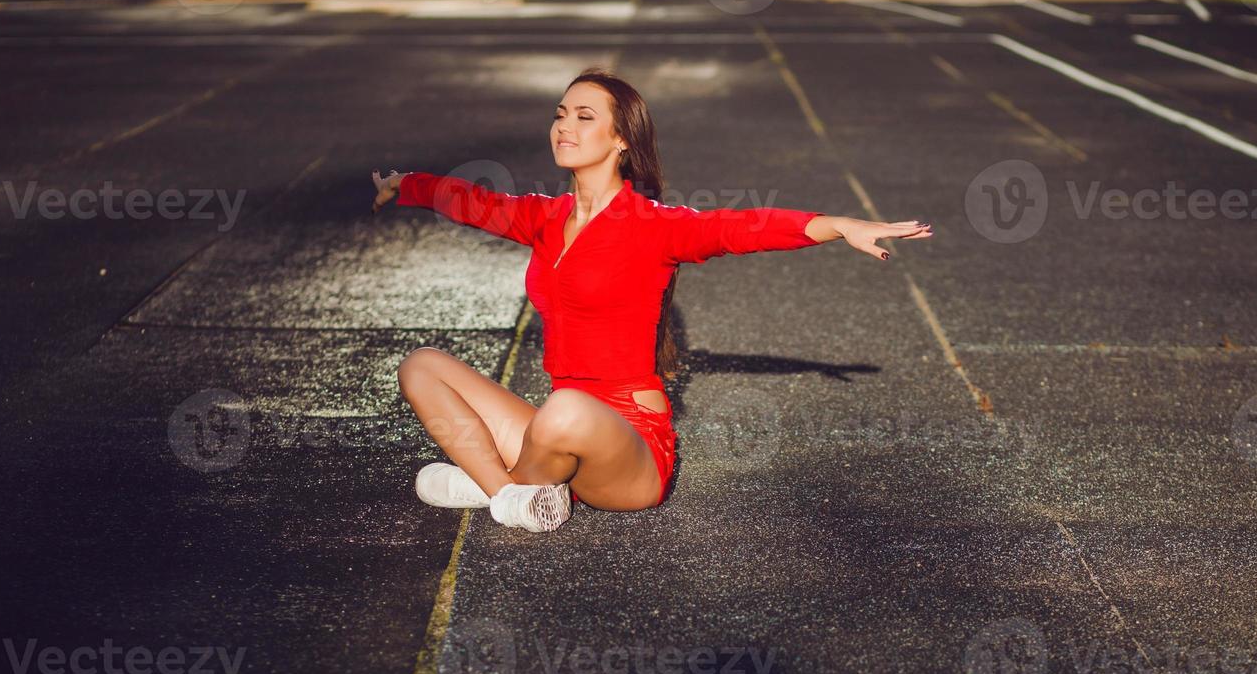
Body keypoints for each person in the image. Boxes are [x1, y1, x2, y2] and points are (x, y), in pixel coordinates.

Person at [372, 67, 932, 533]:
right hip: (558, 433)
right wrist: (407, 184)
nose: (565, 126)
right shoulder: (544, 217)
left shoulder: (652, 227)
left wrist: (835, 224)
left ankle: (500, 483)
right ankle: (511, 495)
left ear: (621, 141)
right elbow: (471, 201)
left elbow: (740, 227)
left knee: (563, 408)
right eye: (560, 114)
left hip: (630, 450)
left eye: (584, 117)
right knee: (422, 367)